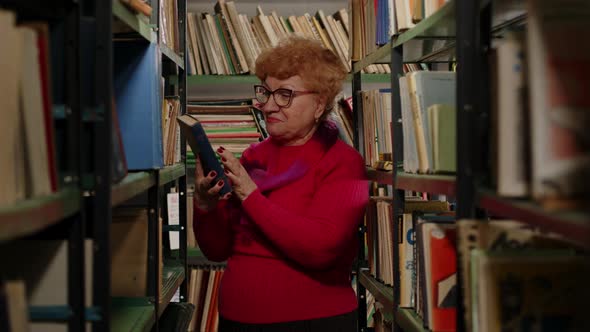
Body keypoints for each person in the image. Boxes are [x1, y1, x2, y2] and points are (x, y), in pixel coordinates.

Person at [193, 36, 369, 332]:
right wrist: (205, 205)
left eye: (285, 94)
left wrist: (250, 194)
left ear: (318, 105)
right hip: (237, 320)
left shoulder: (347, 164)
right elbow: (217, 250)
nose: (269, 106)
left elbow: (320, 249)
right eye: (266, 92)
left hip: (315, 323)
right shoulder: (252, 157)